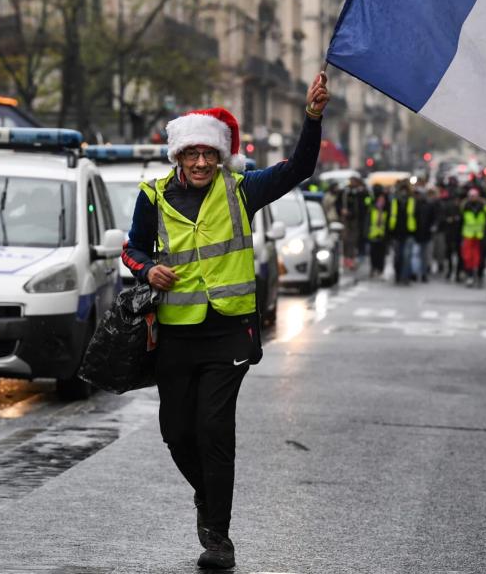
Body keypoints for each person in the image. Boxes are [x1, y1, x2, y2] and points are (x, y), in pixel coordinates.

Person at [120, 73, 329, 570]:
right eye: (191, 154)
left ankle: (218, 536)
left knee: (214, 428)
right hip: (174, 333)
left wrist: (313, 118)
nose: (199, 163)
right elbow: (131, 249)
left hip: (229, 332)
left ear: (220, 157)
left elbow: (300, 166)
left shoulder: (242, 189)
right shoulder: (152, 197)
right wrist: (149, 268)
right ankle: (207, 498)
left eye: (208, 155)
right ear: (177, 157)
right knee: (177, 431)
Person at [388, 181, 416, 284]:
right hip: (396, 233)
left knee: (407, 256)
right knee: (398, 256)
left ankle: (405, 277)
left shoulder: (412, 201)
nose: (403, 193)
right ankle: (398, 275)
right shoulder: (394, 202)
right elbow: (390, 217)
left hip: (409, 232)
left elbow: (416, 216)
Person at [340, 175, 369, 270]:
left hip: (355, 219)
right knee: (345, 240)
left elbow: (364, 206)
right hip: (345, 219)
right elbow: (339, 203)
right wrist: (341, 210)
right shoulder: (345, 192)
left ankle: (351, 259)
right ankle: (346, 258)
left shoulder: (361, 193)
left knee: (353, 240)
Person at [460, 188, 486, 287]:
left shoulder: (483, 207)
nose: (473, 198)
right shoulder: (465, 207)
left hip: (479, 236)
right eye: (471, 196)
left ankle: (479, 275)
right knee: (468, 257)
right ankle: (470, 275)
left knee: (479, 258)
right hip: (468, 236)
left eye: (475, 196)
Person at [413, 186, 439, 282]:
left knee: (425, 256)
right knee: (416, 255)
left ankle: (423, 274)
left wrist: (433, 227)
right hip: (416, 234)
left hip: (426, 234)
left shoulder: (430, 205)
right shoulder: (414, 205)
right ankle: (415, 273)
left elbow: (434, 218)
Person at [368, 192, 388, 278]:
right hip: (373, 235)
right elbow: (368, 223)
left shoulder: (386, 211)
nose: (381, 202)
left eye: (382, 200)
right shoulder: (372, 210)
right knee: (373, 254)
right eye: (379, 200)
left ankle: (380, 270)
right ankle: (373, 268)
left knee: (381, 255)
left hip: (382, 235)